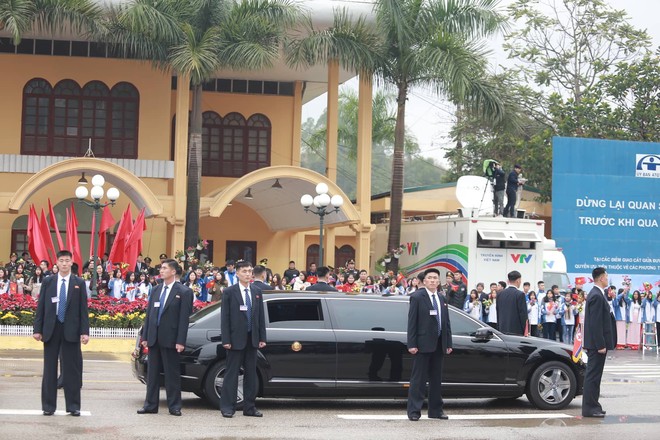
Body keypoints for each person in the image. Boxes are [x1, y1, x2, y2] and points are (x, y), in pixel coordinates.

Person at [32, 250, 89, 416]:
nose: (64, 263)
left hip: (71, 330)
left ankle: (73, 406)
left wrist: (84, 332)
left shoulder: (78, 282)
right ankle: (48, 406)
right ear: (56, 262)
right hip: (51, 329)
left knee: (71, 370)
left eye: (67, 261)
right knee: (49, 369)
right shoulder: (49, 281)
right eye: (61, 260)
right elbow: (41, 307)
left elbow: (83, 310)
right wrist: (37, 329)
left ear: (72, 262)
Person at [138, 259, 193, 416]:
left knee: (171, 375)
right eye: (160, 268)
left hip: (172, 339)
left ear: (173, 272)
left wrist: (180, 341)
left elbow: (184, 319)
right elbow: (150, 315)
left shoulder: (184, 292)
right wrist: (145, 336)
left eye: (164, 268)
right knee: (152, 375)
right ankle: (150, 405)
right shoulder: (156, 290)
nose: (161, 271)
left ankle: (174, 406)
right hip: (154, 339)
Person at [220, 260, 267, 418]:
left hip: (252, 339)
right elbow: (224, 318)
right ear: (238, 273)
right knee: (231, 374)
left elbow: (260, 316)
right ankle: (228, 407)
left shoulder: (256, 291)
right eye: (245, 271)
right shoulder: (229, 292)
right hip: (234, 340)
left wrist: (262, 337)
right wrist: (226, 339)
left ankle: (249, 407)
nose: (248, 274)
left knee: (251, 375)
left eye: (250, 271)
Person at [406, 268, 452, 421]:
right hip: (422, 344)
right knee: (418, 380)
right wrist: (412, 344)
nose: (432, 280)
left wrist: (448, 343)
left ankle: (436, 411)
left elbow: (446, 323)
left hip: (439, 345)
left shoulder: (442, 298)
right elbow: (412, 322)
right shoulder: (417, 297)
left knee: (436, 380)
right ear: (424, 281)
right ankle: (414, 411)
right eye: (430, 278)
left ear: (439, 282)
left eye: (435, 278)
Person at [582, 267, 616, 418]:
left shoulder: (598, 294)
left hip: (598, 344)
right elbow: (595, 323)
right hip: (597, 345)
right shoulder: (596, 295)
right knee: (592, 376)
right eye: (606, 276)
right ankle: (589, 408)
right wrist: (600, 344)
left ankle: (595, 405)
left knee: (596, 376)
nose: (607, 279)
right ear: (601, 278)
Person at [497, 271, 528, 336]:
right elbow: (523, 314)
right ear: (518, 280)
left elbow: (498, 312)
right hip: (516, 331)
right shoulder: (520, 294)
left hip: (502, 330)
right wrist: (525, 330)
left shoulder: (500, 294)